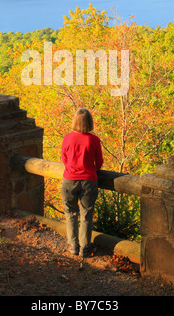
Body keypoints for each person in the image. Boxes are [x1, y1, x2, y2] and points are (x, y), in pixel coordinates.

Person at [61, 108, 103, 257]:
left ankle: (73, 245)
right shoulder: (94, 140)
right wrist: (91, 168)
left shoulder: (67, 138)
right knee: (86, 215)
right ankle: (85, 247)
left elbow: (64, 159)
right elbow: (99, 163)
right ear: (90, 122)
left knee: (70, 213)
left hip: (69, 180)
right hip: (88, 181)